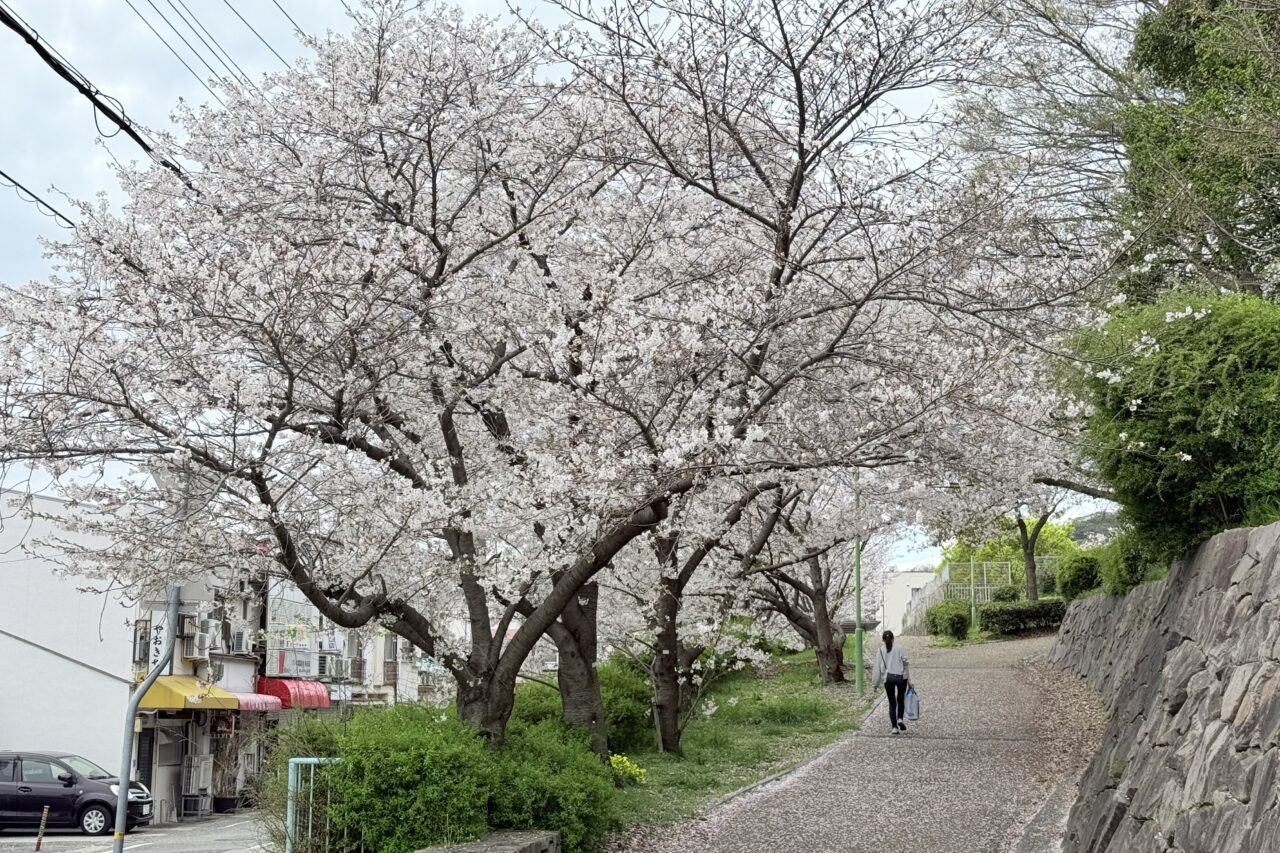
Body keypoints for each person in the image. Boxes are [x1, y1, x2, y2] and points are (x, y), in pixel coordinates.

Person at [871, 629, 910, 734]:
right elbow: (906, 664)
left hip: (888, 679)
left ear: (883, 640)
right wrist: (909, 680)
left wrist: (874, 685)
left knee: (892, 703)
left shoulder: (880, 651)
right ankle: (900, 719)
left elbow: (877, 669)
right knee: (900, 699)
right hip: (901, 678)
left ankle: (894, 727)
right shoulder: (900, 648)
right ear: (893, 638)